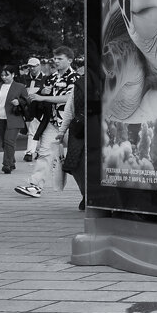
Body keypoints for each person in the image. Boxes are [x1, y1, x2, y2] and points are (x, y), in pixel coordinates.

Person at [15, 47, 79, 198]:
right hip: (52, 123)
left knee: (78, 159)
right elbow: (42, 96)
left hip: (70, 124)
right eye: (54, 59)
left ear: (70, 60)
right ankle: (35, 186)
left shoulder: (75, 78)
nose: (56, 61)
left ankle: (88, 192)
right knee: (44, 154)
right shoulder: (50, 78)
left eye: (60, 59)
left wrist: (43, 97)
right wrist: (41, 94)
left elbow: (69, 99)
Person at [58, 58, 88, 209]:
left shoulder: (108, 80)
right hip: (79, 129)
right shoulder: (79, 83)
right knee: (75, 164)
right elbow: (70, 108)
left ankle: (93, 196)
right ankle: (86, 194)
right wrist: (62, 131)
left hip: (101, 129)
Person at [0, 65, 29, 175]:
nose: (4, 77)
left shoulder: (20, 87)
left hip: (14, 118)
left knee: (9, 141)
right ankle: (11, 161)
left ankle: (6, 165)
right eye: (2, 75)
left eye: (6, 75)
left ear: (13, 75)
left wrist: (19, 102)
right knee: (5, 143)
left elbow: (27, 101)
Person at [20, 57, 42, 161]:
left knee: (34, 130)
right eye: (30, 66)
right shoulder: (24, 78)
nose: (32, 68)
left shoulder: (45, 78)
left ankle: (30, 152)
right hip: (27, 107)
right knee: (31, 130)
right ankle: (36, 151)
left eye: (34, 66)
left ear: (39, 66)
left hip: (40, 107)